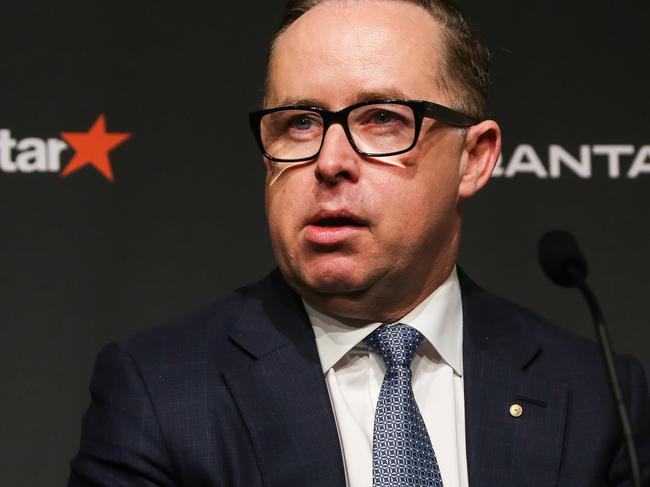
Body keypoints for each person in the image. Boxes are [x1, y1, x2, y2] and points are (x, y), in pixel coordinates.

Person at [68, 0, 650, 486]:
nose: (330, 162)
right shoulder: (160, 394)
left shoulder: (598, 396)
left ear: (474, 159)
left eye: (381, 119)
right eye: (299, 122)